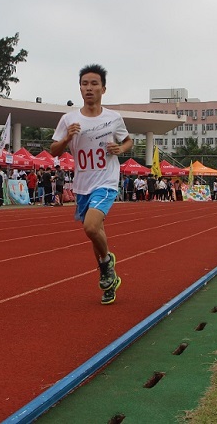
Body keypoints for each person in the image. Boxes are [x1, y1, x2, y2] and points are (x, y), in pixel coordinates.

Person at [51, 64, 133, 305]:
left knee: (90, 226)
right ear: (80, 88)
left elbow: (128, 141)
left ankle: (106, 263)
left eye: (94, 84)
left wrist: (120, 149)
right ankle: (108, 279)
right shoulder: (69, 119)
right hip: (82, 184)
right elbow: (54, 150)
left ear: (103, 89)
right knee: (96, 232)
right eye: (85, 84)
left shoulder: (113, 118)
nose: (89, 88)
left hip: (106, 181)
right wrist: (67, 137)